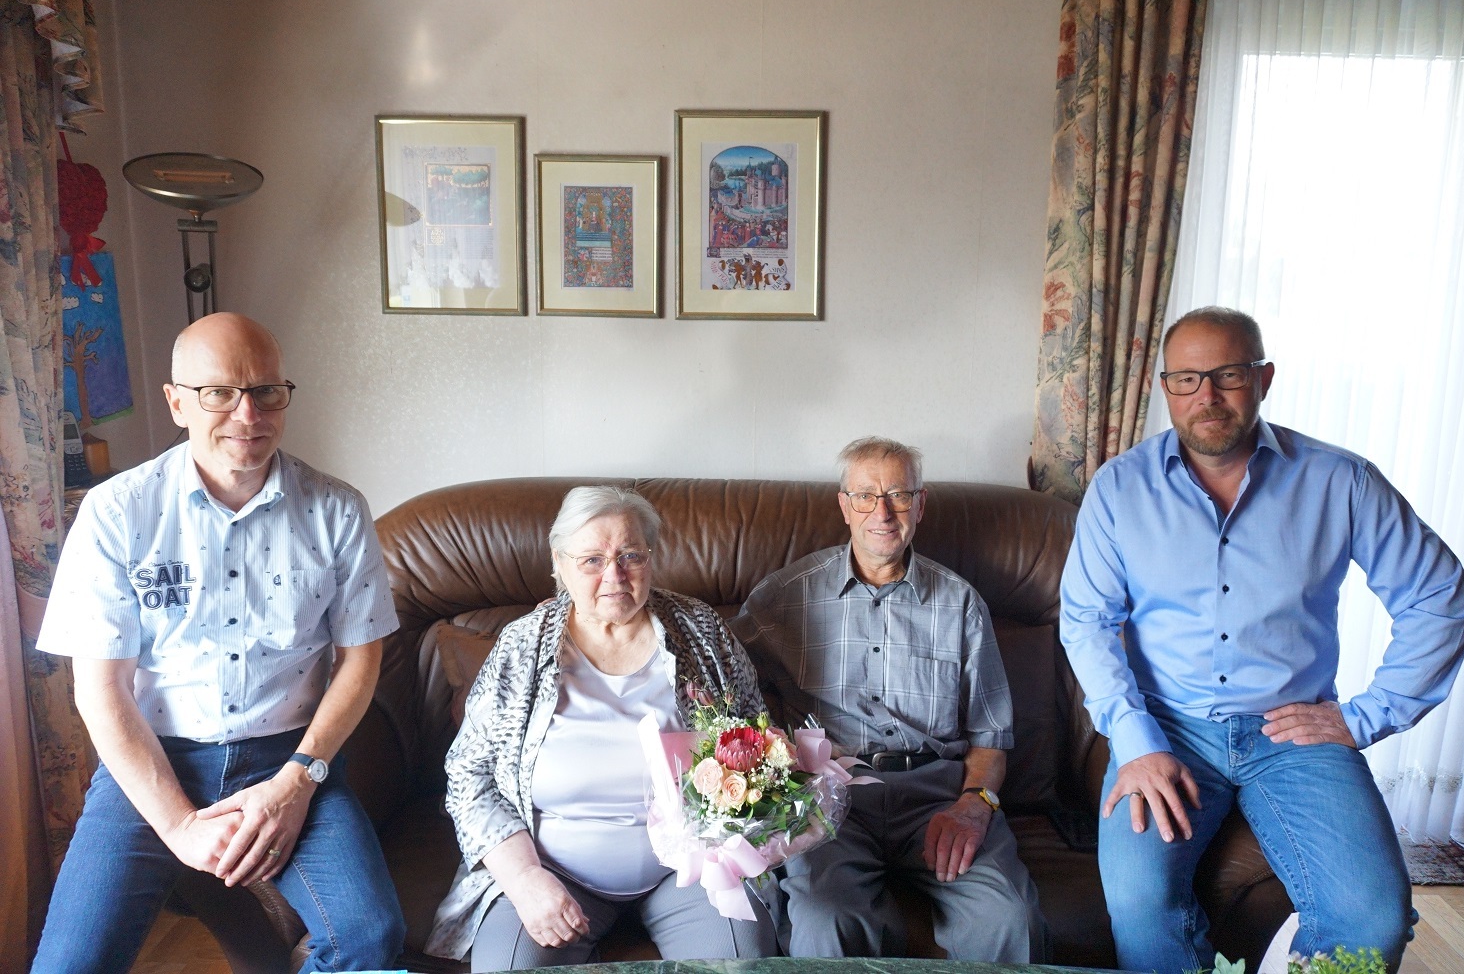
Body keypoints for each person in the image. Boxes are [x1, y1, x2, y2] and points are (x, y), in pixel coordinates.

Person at [1060, 307, 1464, 973]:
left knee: (1372, 918)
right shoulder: (1119, 489)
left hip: (1293, 733)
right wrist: (1135, 739)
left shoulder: (1341, 481)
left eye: (1227, 375)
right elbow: (1084, 620)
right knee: (1141, 905)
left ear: (1264, 377)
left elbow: (1444, 599)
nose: (1207, 397)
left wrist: (1367, 715)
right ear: (1164, 387)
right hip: (1166, 728)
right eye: (1187, 379)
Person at [32, 313, 404, 974]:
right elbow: (101, 690)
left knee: (370, 936)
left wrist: (299, 781)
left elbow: (361, 660)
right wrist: (177, 826)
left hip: (287, 757)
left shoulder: (337, 510)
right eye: (219, 393)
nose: (247, 412)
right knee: (70, 964)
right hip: (155, 758)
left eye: (266, 391)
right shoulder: (118, 512)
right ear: (177, 402)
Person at [425, 486, 779, 970]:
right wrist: (525, 877)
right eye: (592, 559)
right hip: (553, 870)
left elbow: (752, 737)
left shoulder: (701, 629)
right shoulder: (523, 646)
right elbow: (469, 776)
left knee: (740, 966)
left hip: (690, 869)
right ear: (560, 563)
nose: (614, 575)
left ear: (652, 558)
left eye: (631, 555)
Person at [730, 437, 1046, 962]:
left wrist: (974, 805)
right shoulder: (783, 597)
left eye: (899, 495)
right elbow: (724, 687)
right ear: (844, 505)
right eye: (865, 496)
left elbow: (991, 739)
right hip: (831, 801)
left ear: (920, 506)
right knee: (823, 920)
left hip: (938, 797)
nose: (882, 511)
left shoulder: (961, 604)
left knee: (1009, 917)